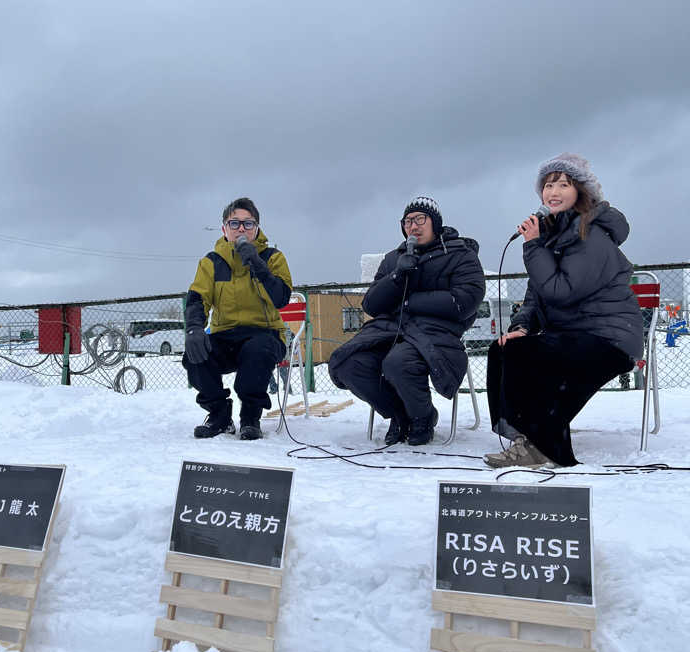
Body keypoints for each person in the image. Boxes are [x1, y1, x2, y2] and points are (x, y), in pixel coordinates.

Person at [484, 154, 643, 469]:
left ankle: (544, 444)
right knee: (504, 348)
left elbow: (562, 292)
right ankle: (524, 438)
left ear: (581, 192)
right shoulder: (551, 234)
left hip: (610, 337)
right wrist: (521, 327)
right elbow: (536, 294)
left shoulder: (592, 235)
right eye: (548, 184)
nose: (553, 191)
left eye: (563, 184)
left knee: (529, 356)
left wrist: (532, 247)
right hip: (573, 334)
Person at [328, 196, 485, 444]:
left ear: (435, 222)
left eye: (420, 219)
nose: (413, 226)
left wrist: (411, 302)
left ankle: (422, 417)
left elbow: (466, 300)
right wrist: (397, 276)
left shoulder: (460, 254)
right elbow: (371, 305)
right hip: (390, 330)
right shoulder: (394, 259)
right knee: (348, 362)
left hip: (437, 333)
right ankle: (401, 415)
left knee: (398, 362)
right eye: (408, 221)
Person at [183, 198, 292, 440]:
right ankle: (220, 415)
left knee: (257, 349)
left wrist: (256, 263)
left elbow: (281, 298)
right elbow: (197, 298)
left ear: (257, 228)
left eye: (248, 223)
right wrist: (194, 329)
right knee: (196, 353)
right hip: (225, 334)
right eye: (235, 223)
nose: (241, 228)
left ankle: (250, 417)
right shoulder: (211, 262)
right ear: (224, 229)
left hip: (265, 334)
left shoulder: (273, 257)